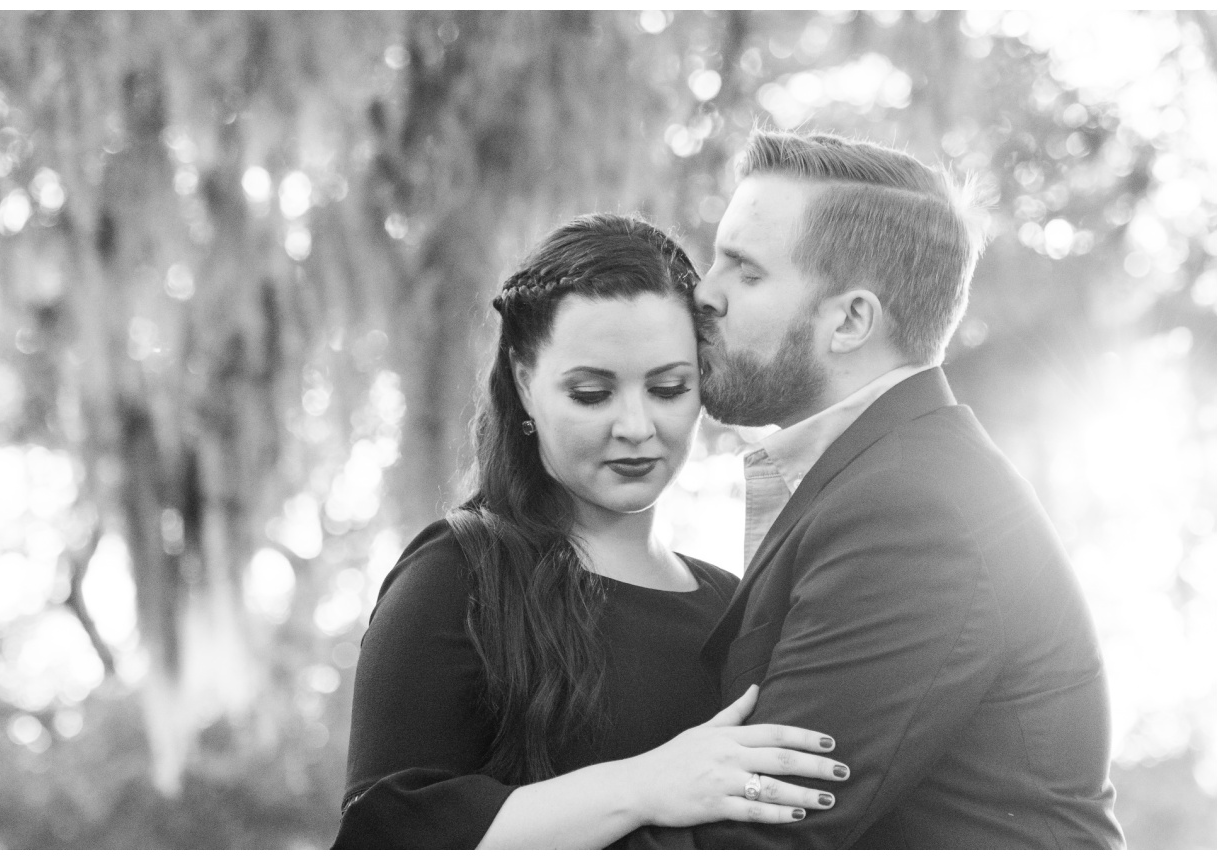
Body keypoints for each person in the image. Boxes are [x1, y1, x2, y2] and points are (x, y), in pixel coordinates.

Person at [626, 130, 1125, 849]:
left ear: (852, 320)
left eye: (745, 269)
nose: (704, 292)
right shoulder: (893, 477)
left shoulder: (914, 512)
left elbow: (764, 836)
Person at [332, 214, 850, 849]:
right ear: (525, 385)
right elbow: (387, 831)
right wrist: (644, 786)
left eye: (668, 388)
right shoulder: (459, 574)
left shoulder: (736, 603)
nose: (635, 425)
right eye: (590, 394)